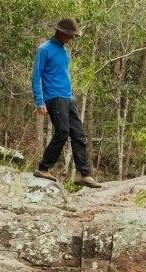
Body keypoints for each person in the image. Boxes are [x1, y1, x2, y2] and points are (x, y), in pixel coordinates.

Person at [32, 18, 99, 187]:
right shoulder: (44, 49)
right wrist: (40, 102)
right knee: (62, 131)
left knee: (78, 133)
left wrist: (71, 96)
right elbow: (36, 76)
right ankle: (43, 168)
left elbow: (63, 75)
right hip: (53, 97)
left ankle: (84, 174)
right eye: (70, 36)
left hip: (68, 97)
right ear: (61, 33)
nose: (71, 39)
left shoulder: (64, 51)